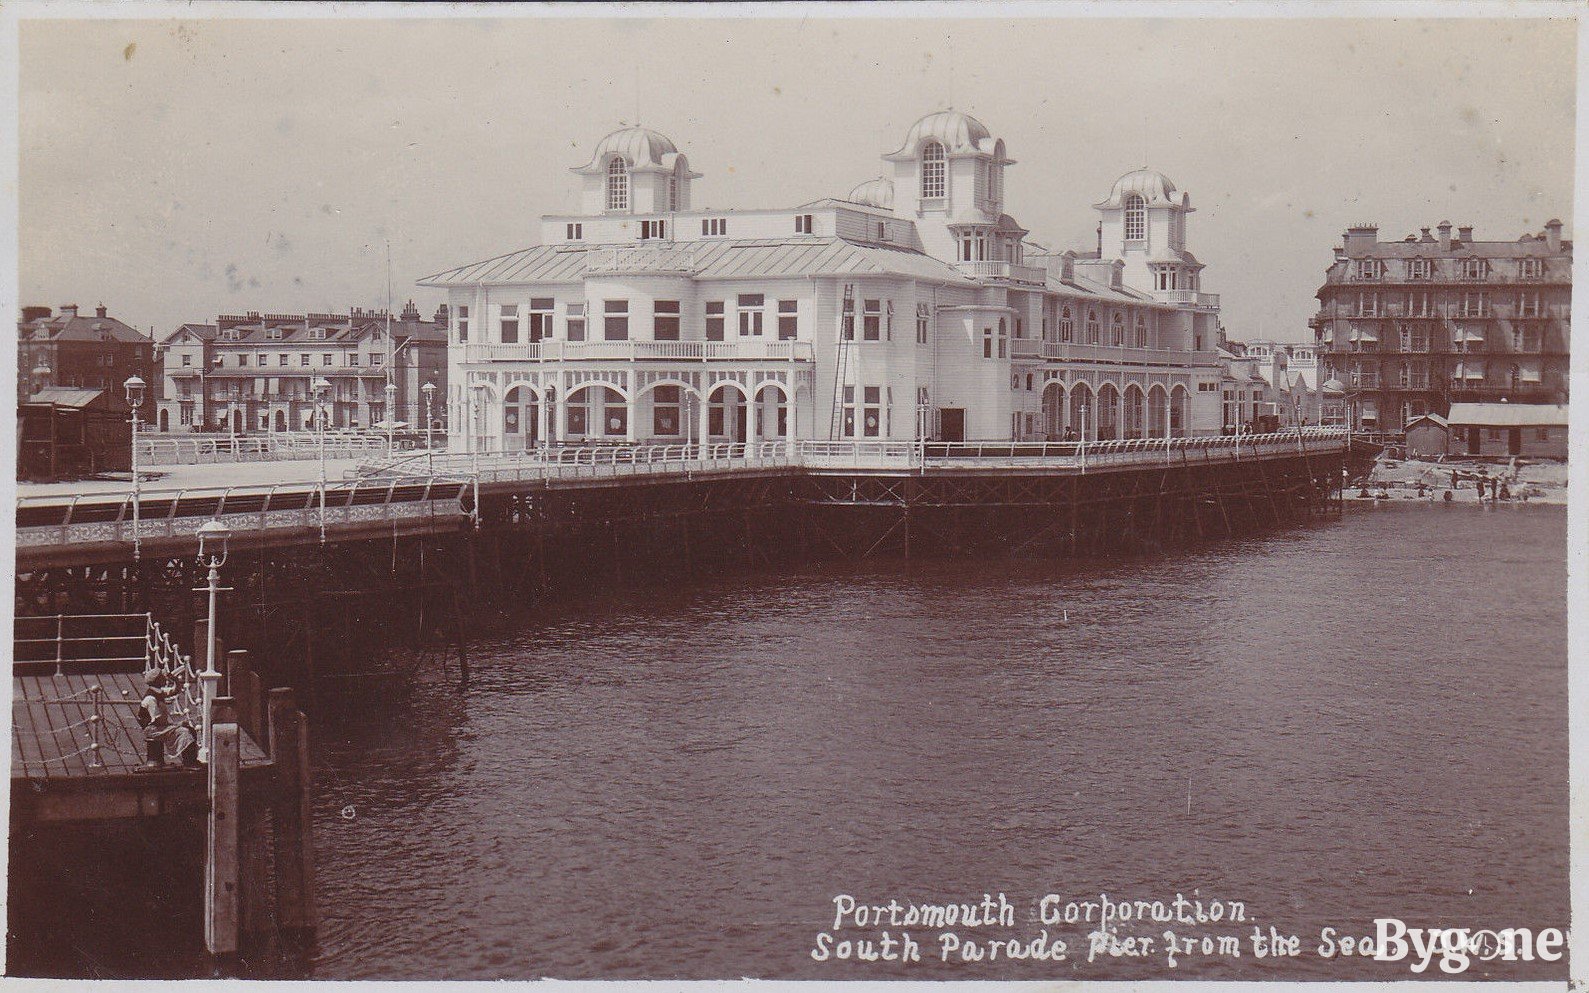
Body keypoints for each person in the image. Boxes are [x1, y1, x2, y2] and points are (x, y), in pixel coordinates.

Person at [135, 669, 198, 772]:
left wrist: (175, 680)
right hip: (153, 729)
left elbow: (175, 690)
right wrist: (177, 725)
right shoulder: (151, 698)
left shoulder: (158, 692)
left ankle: (191, 760)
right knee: (184, 732)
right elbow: (157, 719)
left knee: (189, 729)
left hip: (159, 726)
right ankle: (189, 762)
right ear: (157, 680)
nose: (164, 679)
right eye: (162, 677)